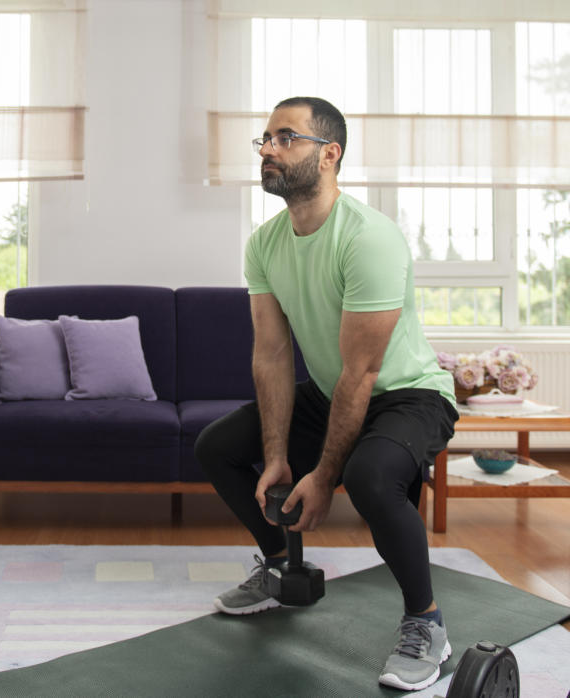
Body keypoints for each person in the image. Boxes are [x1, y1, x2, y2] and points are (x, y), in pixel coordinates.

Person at [194, 96, 459, 692]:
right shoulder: (264, 244)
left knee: (368, 479)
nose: (267, 149)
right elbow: (272, 354)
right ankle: (280, 567)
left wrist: (324, 473)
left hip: (408, 393)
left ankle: (426, 622)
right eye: (263, 139)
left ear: (329, 154)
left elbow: (364, 372)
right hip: (333, 385)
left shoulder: (369, 238)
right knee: (218, 447)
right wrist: (281, 454)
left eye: (284, 138)